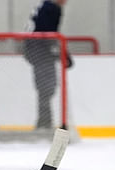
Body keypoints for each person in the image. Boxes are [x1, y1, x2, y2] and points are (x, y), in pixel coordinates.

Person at [23, 0, 72, 130]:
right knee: (47, 88)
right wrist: (63, 54)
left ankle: (44, 120)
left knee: (45, 89)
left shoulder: (43, 6)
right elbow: (50, 34)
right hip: (41, 51)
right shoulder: (52, 8)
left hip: (34, 50)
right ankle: (44, 122)